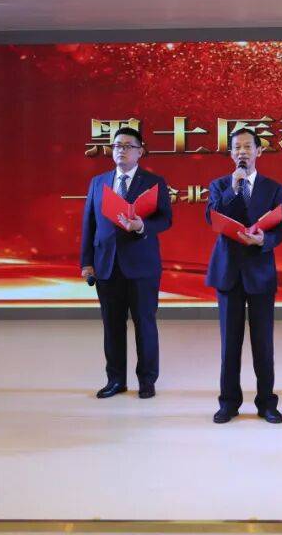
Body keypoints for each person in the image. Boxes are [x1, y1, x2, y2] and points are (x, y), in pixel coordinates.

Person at [80, 126, 173, 400]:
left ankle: (147, 381)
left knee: (145, 324)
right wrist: (86, 262)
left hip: (142, 266)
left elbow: (166, 219)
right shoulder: (98, 182)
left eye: (127, 146)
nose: (121, 150)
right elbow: (89, 224)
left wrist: (142, 226)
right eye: (117, 145)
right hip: (106, 264)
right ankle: (115, 380)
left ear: (140, 151)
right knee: (112, 326)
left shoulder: (154, 182)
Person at [205, 128, 282, 424]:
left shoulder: (273, 188)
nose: (242, 152)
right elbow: (212, 217)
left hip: (260, 271)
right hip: (228, 272)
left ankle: (267, 403)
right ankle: (228, 403)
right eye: (237, 148)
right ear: (231, 154)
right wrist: (233, 188)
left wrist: (264, 240)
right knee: (230, 343)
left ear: (258, 151)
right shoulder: (219, 185)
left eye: (247, 147)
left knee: (263, 344)